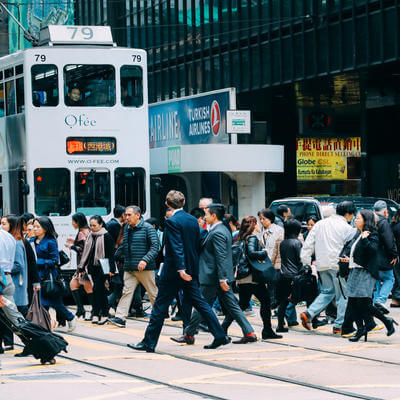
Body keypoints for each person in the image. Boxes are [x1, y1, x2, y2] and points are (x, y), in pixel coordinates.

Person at [128, 191, 230, 352]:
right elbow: (199, 240)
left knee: (160, 306)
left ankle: (149, 342)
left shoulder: (172, 221)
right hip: (191, 269)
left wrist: (181, 268)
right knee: (201, 304)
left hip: (175, 271)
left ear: (167, 204)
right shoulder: (192, 219)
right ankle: (220, 335)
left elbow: (176, 246)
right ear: (183, 202)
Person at [171, 204, 256, 345]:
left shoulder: (218, 232)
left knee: (202, 304)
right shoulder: (220, 229)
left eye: (207, 214)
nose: (205, 217)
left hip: (214, 277)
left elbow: (221, 256)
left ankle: (188, 334)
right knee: (231, 306)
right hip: (217, 276)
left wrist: (222, 278)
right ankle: (249, 332)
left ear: (214, 215)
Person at [300, 201, 356, 334]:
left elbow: (308, 244)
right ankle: (339, 325)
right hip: (338, 265)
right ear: (348, 214)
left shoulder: (320, 224)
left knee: (327, 292)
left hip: (322, 264)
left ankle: (309, 313)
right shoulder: (346, 228)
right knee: (343, 295)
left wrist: (306, 261)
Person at [341, 209, 396, 341]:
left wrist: (365, 239)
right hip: (355, 270)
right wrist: (349, 260)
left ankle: (384, 321)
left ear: (366, 220)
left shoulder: (372, 234)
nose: (355, 220)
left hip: (365, 273)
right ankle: (363, 328)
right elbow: (360, 254)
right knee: (354, 302)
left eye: (358, 218)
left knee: (363, 304)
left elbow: (372, 251)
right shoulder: (359, 234)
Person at [223, 216, 282, 340]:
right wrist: (264, 252)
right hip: (252, 277)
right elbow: (251, 253)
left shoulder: (242, 237)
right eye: (257, 222)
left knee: (242, 304)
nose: (259, 224)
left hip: (244, 276)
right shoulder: (253, 237)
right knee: (265, 301)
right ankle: (267, 330)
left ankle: (223, 328)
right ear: (254, 225)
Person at [107, 206, 159, 328]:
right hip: (130, 267)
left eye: (129, 215)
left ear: (138, 215)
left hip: (144, 268)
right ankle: (120, 317)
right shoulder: (127, 229)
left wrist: (145, 260)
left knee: (153, 293)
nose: (126, 217)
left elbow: (155, 247)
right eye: (126, 215)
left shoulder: (147, 228)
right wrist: (115, 257)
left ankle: (159, 316)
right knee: (126, 292)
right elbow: (124, 246)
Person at [32, 217, 76, 331]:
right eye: (34, 226)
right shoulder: (32, 241)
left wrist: (39, 262)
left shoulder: (50, 241)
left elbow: (55, 260)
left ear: (45, 228)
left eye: (38, 227)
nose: (35, 229)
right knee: (42, 302)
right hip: (37, 275)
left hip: (49, 275)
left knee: (55, 302)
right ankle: (45, 325)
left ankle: (70, 317)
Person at [78, 216, 115, 324]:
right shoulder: (90, 236)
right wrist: (81, 267)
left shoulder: (107, 236)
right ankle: (98, 313)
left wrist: (111, 269)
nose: (92, 227)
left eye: (94, 225)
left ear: (101, 224)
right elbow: (86, 253)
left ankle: (102, 313)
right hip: (92, 267)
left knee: (98, 290)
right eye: (91, 225)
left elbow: (111, 254)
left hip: (103, 267)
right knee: (97, 290)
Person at [0, 229, 26, 353]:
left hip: (1, 280)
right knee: (13, 316)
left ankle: (40, 341)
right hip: (7, 279)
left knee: (12, 316)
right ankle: (34, 340)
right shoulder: (8, 236)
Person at [275, 219, 303, 332]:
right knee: (307, 296)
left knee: (283, 301)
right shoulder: (297, 243)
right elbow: (300, 260)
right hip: (294, 275)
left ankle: (280, 324)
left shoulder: (283, 243)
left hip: (283, 274)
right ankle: (313, 319)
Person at [373, 200, 398, 314]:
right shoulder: (383, 222)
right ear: (385, 211)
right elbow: (389, 241)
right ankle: (381, 300)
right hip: (383, 258)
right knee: (389, 278)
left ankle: (375, 304)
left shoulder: (370, 221)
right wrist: (394, 254)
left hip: (372, 259)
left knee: (376, 280)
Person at [66, 213, 92, 320]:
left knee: (88, 288)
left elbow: (84, 250)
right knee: (73, 284)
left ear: (78, 222)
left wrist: (72, 246)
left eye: (73, 221)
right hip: (82, 266)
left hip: (84, 266)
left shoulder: (82, 232)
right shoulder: (85, 231)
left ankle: (94, 310)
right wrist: (74, 242)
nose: (72, 224)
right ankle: (80, 309)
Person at [390, 211, 400, 308]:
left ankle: (395, 300)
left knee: (397, 278)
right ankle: (396, 298)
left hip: (395, 255)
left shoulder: (393, 225)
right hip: (397, 255)